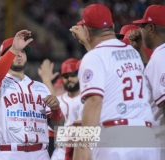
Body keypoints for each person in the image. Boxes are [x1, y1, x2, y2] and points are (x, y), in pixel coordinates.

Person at [71, 4, 157, 160]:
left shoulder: (94, 58)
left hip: (116, 136)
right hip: (146, 136)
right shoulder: (133, 53)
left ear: (87, 32)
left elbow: (94, 102)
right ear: (112, 26)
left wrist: (83, 148)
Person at [0, 30, 65, 160]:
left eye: (22, 51)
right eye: (15, 51)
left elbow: (58, 127)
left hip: (41, 153)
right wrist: (13, 49)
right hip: (8, 152)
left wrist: (56, 110)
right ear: (4, 56)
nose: (19, 54)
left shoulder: (41, 87)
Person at [131, 4, 165, 160]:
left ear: (151, 28)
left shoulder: (160, 57)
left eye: (143, 26)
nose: (141, 31)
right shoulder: (158, 57)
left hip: (159, 140)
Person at [39, 58, 82, 160]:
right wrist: (46, 81)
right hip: (60, 154)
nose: (69, 79)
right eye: (66, 76)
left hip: (85, 151)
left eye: (73, 75)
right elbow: (52, 133)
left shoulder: (88, 99)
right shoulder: (58, 101)